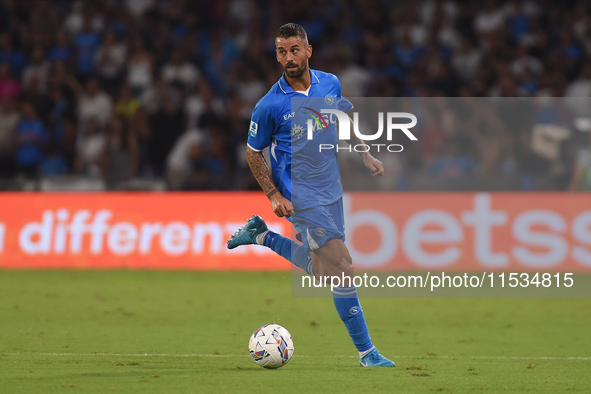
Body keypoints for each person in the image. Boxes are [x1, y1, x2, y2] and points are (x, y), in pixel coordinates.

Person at [226, 23, 394, 367]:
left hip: (332, 190)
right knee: (343, 267)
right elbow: (252, 153)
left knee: (325, 270)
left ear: (308, 51)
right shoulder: (269, 105)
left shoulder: (329, 83)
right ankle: (367, 353)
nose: (289, 58)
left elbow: (344, 115)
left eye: (294, 50)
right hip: (300, 196)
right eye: (282, 52)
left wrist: (364, 152)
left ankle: (261, 236)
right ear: (277, 56)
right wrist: (273, 193)